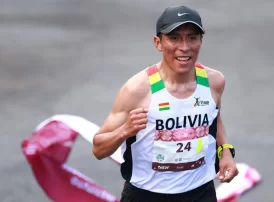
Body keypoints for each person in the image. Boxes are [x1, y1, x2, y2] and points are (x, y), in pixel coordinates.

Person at [92, 5, 239, 202]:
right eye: (174, 38)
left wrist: (226, 152)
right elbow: (98, 149)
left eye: (192, 37)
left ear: (201, 41)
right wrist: (125, 131)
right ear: (158, 43)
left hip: (201, 192)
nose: (184, 47)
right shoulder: (137, 89)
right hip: (147, 195)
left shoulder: (214, 81)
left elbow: (214, 118)